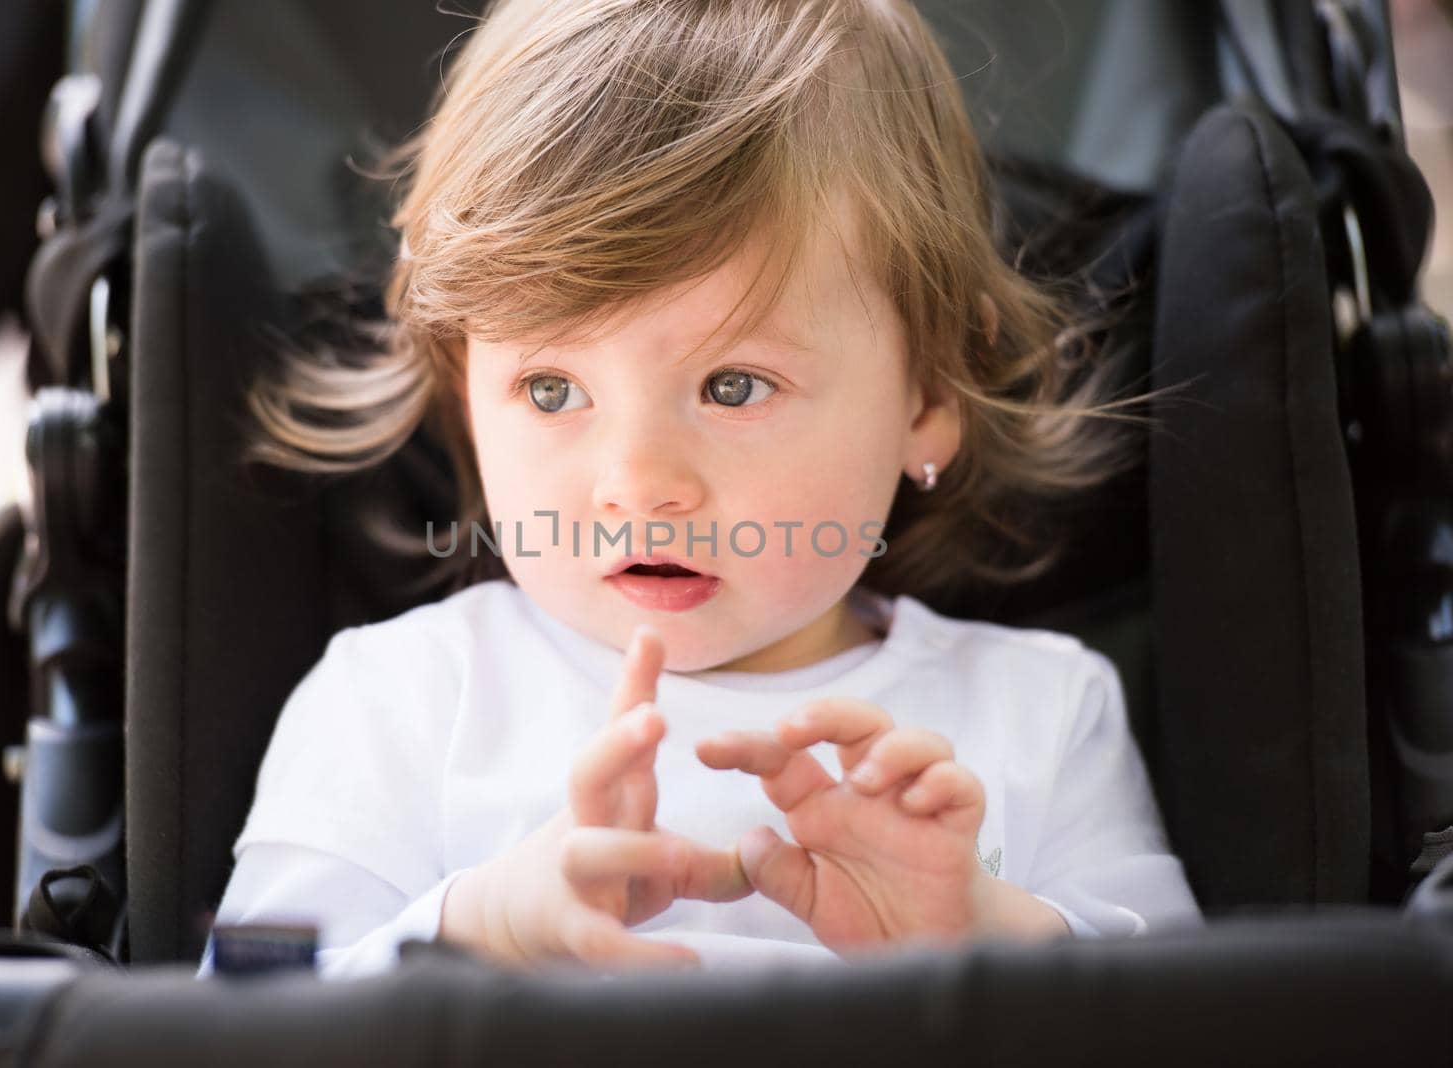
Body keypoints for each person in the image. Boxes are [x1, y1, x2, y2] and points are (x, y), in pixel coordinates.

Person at [202, 0, 1202, 978]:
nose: (637, 484)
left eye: (734, 386)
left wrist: (989, 929)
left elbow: (1210, 1025)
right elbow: (240, 1024)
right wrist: (480, 929)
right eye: (551, 389)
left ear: (931, 392)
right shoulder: (402, 701)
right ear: (465, 397)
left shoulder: (1041, 711)